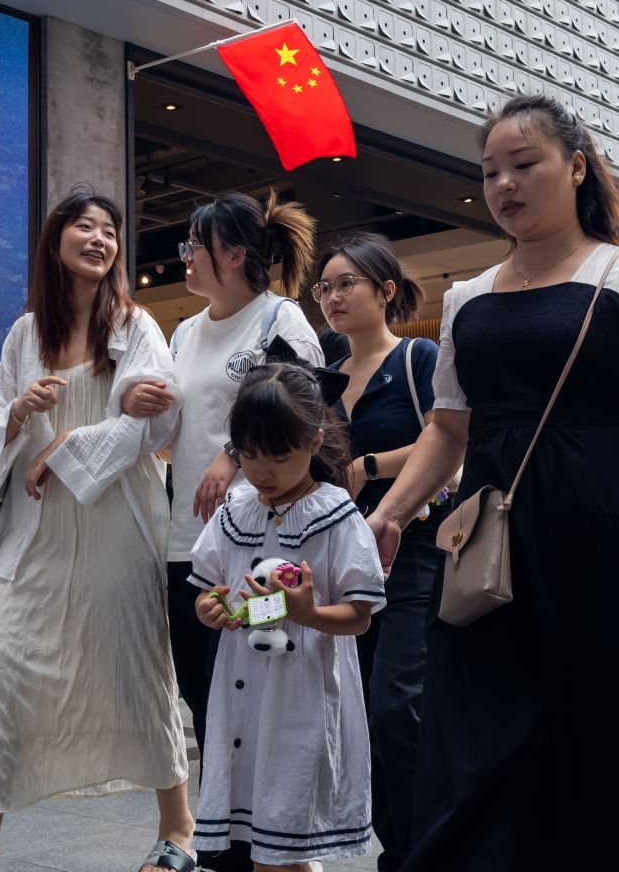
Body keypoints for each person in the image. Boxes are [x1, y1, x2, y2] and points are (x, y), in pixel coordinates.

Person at [363, 93, 619, 871]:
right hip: (492, 559)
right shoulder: (467, 297)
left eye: (524, 164)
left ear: (576, 167)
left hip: (618, 543)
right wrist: (391, 515)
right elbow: (447, 429)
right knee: (477, 755)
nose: (504, 184)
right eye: (490, 170)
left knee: (613, 751)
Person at [0, 189, 193, 872]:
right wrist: (19, 415)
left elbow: (163, 419)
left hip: (117, 530)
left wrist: (68, 447)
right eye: (83, 227)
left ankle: (179, 826)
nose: (98, 238)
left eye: (109, 231)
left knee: (138, 670)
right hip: (36, 535)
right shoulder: (26, 333)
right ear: (56, 241)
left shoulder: (137, 325)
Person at [164, 192, 322, 871]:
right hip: (186, 545)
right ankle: (229, 849)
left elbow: (307, 408)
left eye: (194, 244)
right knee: (206, 704)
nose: (186, 257)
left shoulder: (279, 320)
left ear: (233, 252)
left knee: (260, 697)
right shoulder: (183, 332)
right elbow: (171, 431)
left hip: (263, 544)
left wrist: (234, 453)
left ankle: (280, 849)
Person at [188, 358, 384, 871]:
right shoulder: (236, 510)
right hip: (242, 696)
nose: (261, 471)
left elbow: (360, 615)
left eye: (278, 455)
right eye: (249, 455)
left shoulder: (336, 515)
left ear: (315, 442)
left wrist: (309, 612)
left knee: (281, 845)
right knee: (270, 846)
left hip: (300, 696)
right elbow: (210, 590)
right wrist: (211, 609)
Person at [315, 233, 438, 872]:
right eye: (325, 287)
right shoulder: (326, 381)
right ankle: (400, 848)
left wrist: (370, 464)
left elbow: (452, 442)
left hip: (415, 549)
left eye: (346, 284)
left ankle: (428, 848)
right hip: (346, 563)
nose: (333, 297)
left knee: (397, 704)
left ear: (385, 291)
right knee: (360, 714)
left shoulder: (419, 357)